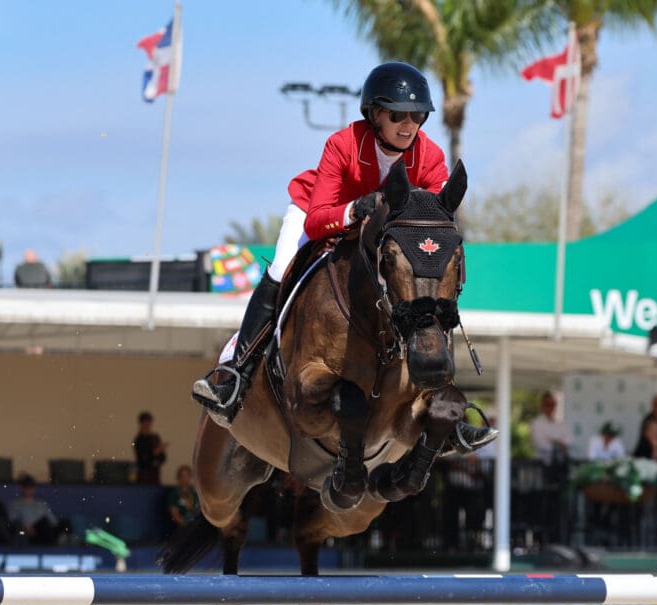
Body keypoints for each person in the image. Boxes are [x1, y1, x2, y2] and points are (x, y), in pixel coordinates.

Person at [191, 62, 494, 456]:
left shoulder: (430, 156)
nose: (408, 125)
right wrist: (355, 209)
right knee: (281, 268)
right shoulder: (343, 143)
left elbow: (430, 222)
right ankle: (236, 375)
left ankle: (442, 404)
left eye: (417, 115)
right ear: (375, 115)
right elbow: (317, 220)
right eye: (398, 115)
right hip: (321, 213)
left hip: (378, 238)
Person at [8, 474, 60, 545]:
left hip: (44, 530)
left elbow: (53, 521)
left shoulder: (41, 504)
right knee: (43, 523)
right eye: (26, 487)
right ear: (22, 488)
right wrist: (26, 527)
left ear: (34, 488)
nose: (29, 489)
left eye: (31, 487)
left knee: (61, 524)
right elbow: (13, 521)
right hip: (26, 533)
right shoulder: (15, 504)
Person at [530, 391, 571, 464]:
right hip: (543, 464)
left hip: (561, 463)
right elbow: (540, 444)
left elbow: (570, 440)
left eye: (554, 404)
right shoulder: (536, 424)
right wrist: (559, 443)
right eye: (548, 404)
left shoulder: (560, 424)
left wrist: (553, 441)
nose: (551, 407)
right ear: (542, 406)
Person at [132, 411, 167, 485]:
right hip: (144, 474)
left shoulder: (155, 438)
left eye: (149, 422)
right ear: (141, 424)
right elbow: (142, 459)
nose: (147, 425)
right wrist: (155, 452)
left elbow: (163, 457)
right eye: (145, 422)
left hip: (155, 473)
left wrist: (158, 455)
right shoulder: (138, 440)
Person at [166, 465, 199, 532]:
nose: (185, 479)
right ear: (178, 477)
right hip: (181, 526)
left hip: (195, 524)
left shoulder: (195, 493)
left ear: (190, 477)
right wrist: (186, 525)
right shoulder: (174, 494)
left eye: (187, 476)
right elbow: (174, 514)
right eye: (182, 476)